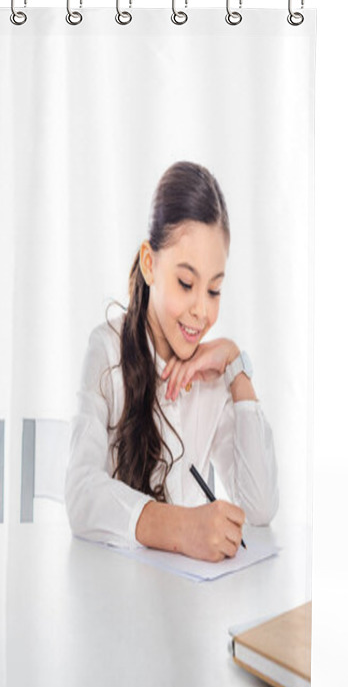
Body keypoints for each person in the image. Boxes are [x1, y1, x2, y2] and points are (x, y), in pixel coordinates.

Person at [65, 162, 278, 562]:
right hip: (113, 596)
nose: (201, 310)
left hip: (187, 600)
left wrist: (235, 366)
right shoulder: (107, 349)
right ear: (150, 264)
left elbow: (261, 507)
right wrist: (182, 527)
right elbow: (80, 493)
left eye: (214, 290)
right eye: (186, 283)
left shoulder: (213, 376)